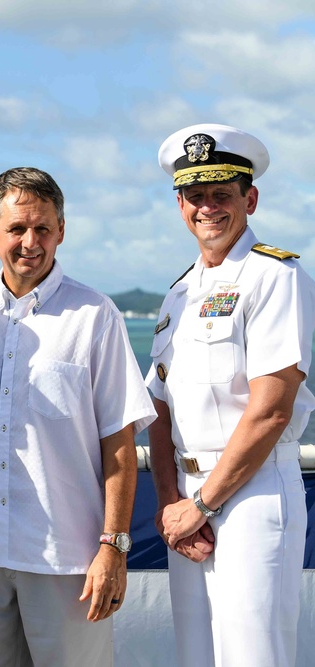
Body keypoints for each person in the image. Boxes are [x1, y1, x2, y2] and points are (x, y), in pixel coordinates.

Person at [0, 167, 156, 666]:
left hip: (66, 557)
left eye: (43, 229)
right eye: (17, 228)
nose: (31, 242)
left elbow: (117, 441)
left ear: (62, 230)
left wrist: (113, 547)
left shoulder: (95, 316)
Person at [148, 124, 315, 666]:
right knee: (197, 657)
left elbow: (270, 411)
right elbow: (159, 406)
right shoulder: (179, 292)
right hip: (188, 501)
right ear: (180, 205)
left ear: (251, 198)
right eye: (196, 196)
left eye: (222, 194)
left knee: (252, 657)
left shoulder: (276, 276)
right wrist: (173, 501)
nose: (208, 207)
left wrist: (200, 505)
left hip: (253, 492)